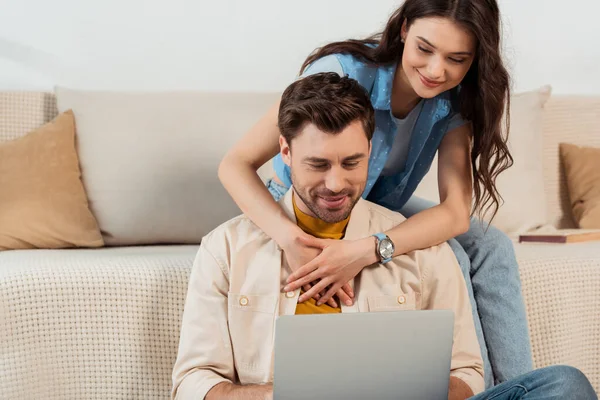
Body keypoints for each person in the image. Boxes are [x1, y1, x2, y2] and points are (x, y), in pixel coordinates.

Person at [172, 73, 597, 400]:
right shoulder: (227, 249)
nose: (336, 184)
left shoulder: (418, 244)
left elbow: (468, 374)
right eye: (318, 164)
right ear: (285, 152)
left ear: (372, 152)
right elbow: (194, 383)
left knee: (565, 384)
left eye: (351, 162)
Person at [218, 0, 531, 387]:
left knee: (491, 245)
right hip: (311, 204)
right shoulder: (340, 74)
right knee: (450, 254)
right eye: (424, 49)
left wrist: (371, 247)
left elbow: (455, 213)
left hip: (381, 210)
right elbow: (234, 165)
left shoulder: (455, 101)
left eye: (457, 58)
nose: (436, 70)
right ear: (403, 30)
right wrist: (289, 238)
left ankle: (517, 390)